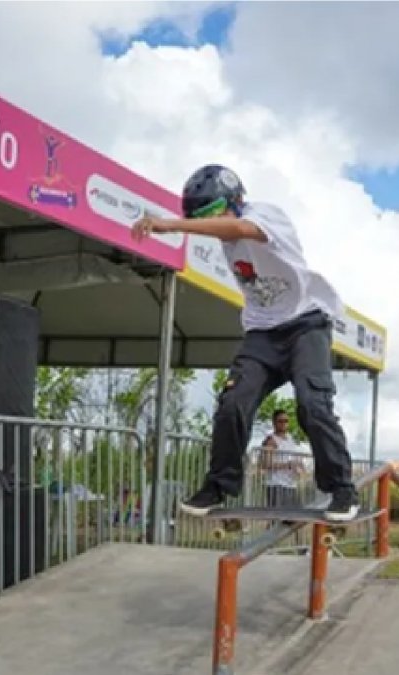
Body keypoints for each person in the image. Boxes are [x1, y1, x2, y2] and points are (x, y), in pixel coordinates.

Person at [130, 164, 360, 521]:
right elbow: (226, 229)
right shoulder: (227, 237)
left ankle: (342, 488)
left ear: (235, 201)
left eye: (213, 215)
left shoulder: (264, 215)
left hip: (306, 325)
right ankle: (218, 486)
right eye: (203, 219)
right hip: (262, 335)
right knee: (233, 403)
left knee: (312, 405)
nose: (214, 228)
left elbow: (239, 227)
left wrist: (172, 224)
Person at [260, 409, 305, 508]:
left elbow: (295, 458)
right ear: (274, 422)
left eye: (286, 421)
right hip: (276, 485)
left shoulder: (290, 439)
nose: (284, 423)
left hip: (291, 484)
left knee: (297, 518)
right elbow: (266, 464)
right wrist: (288, 465)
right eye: (280, 421)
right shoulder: (270, 440)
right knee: (278, 518)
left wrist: (300, 465)